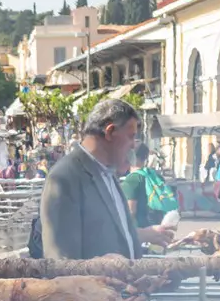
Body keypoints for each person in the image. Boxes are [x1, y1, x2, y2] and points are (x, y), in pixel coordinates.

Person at [41, 98, 174, 261]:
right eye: (130, 136)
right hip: (96, 279)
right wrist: (100, 271)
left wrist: (144, 237)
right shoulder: (65, 177)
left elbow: (115, 233)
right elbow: (60, 260)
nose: (133, 145)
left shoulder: (108, 173)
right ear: (110, 132)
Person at [119, 143, 170, 232]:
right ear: (146, 157)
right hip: (159, 229)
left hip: (141, 231)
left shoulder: (132, 180)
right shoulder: (157, 177)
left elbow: (131, 212)